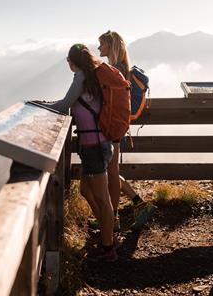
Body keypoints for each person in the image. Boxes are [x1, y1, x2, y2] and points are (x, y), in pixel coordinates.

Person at [39, 44, 118, 261]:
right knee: (85, 190)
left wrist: (41, 105)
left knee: (102, 198)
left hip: (94, 146)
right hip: (99, 144)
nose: (67, 64)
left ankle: (108, 247)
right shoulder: (94, 75)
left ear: (73, 61)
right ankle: (107, 230)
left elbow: (64, 105)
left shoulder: (81, 77)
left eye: (67, 60)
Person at [98, 30, 157, 230]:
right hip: (119, 127)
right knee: (110, 172)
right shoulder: (124, 69)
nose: (98, 48)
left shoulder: (116, 70)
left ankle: (112, 220)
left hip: (113, 128)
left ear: (111, 46)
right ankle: (137, 204)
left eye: (102, 44)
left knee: (111, 173)